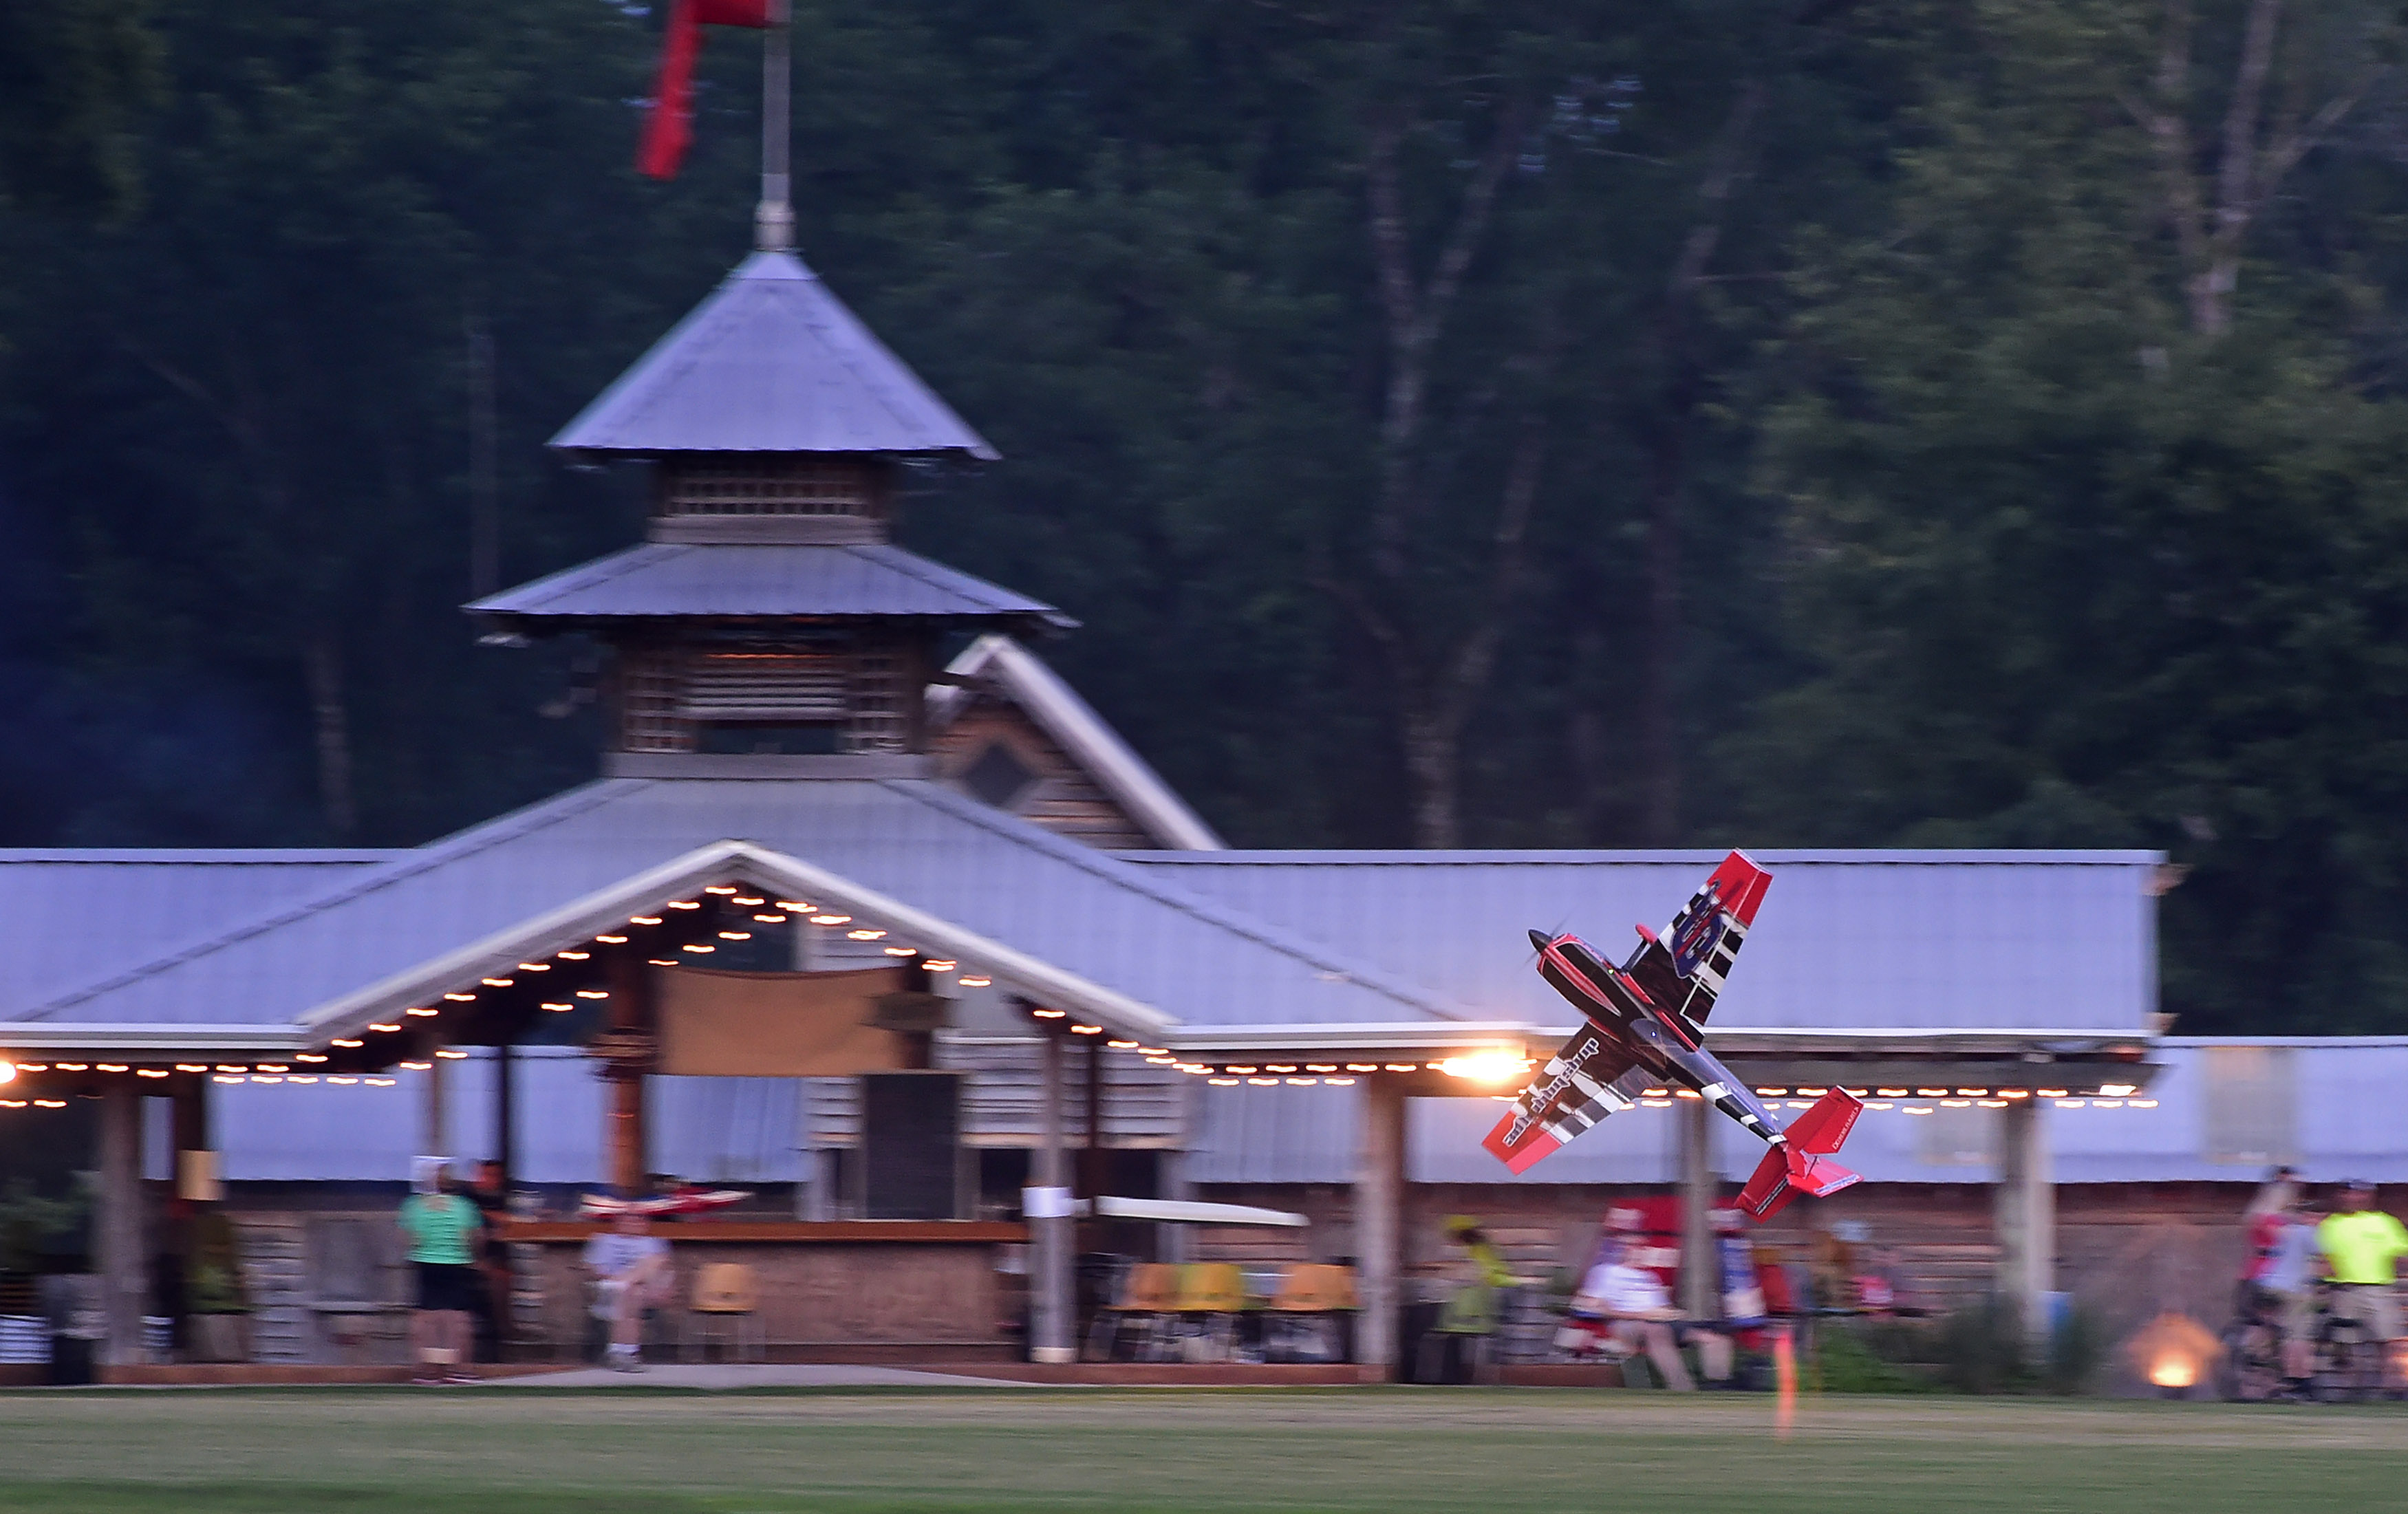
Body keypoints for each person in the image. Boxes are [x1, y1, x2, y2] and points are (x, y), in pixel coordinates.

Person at [2316, 1179, 2408, 1388]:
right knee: (2346, 1343)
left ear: (2369, 1196)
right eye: (2348, 1194)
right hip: (2344, 1290)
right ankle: (2351, 1389)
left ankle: (2386, 1387)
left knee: (2386, 1340)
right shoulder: (2331, 1224)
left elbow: (2402, 1253)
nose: (2354, 1198)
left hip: (2378, 1289)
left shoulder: (2384, 1222)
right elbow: (2321, 1258)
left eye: (2359, 1194)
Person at [398, 1165, 483, 1385]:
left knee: (425, 1316)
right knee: (458, 1317)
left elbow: (410, 1238)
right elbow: (474, 1237)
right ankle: (460, 1368)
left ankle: (427, 1370)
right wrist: (474, 1256)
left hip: (425, 1263)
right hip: (457, 1263)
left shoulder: (415, 1206)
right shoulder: (465, 1207)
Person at [583, 1211, 671, 1371]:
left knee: (635, 1288)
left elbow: (663, 1270)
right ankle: (629, 1354)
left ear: (646, 1225)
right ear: (618, 1223)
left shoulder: (654, 1242)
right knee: (633, 1291)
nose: (633, 1223)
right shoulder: (604, 1240)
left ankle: (618, 1354)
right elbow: (593, 1270)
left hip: (642, 1289)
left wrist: (660, 1288)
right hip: (607, 1288)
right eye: (628, 1220)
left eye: (638, 1220)